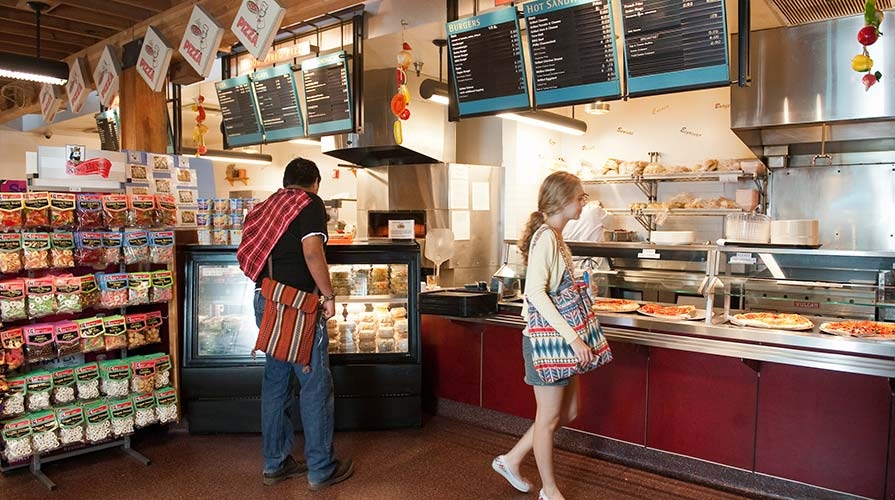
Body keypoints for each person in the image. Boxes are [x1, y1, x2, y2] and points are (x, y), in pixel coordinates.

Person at [237, 157, 354, 490]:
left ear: (286, 181)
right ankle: (321, 468)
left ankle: (275, 463)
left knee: (276, 382)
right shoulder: (309, 202)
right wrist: (328, 296)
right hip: (297, 305)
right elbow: (313, 251)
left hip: (267, 298)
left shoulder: (267, 206)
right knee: (315, 384)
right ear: (315, 182)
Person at [492, 171, 594, 500]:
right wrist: (575, 338)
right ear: (562, 201)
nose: (583, 203)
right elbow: (534, 293)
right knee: (548, 419)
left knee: (570, 412)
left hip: (559, 340)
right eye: (580, 197)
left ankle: (511, 460)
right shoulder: (547, 238)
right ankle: (550, 491)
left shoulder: (556, 236)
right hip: (545, 343)